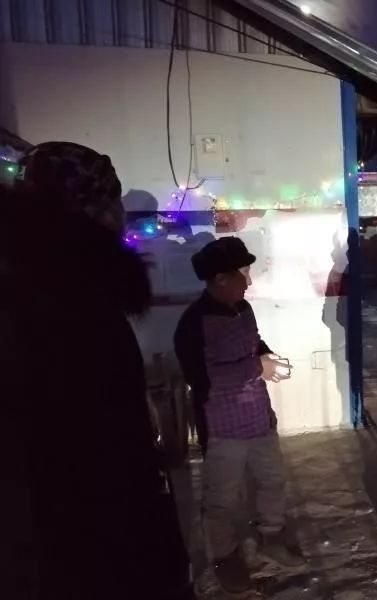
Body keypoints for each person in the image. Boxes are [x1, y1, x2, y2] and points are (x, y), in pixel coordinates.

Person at [0, 142, 193, 599]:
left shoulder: (52, 286)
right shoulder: (65, 303)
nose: (121, 215)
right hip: (85, 537)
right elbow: (97, 441)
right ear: (92, 209)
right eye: (114, 201)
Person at [173, 237, 304, 594]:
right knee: (222, 499)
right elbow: (203, 378)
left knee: (272, 481)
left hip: (258, 417)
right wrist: (257, 367)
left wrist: (267, 357)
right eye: (243, 273)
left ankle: (271, 538)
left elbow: (254, 344)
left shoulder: (243, 309)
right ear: (220, 278)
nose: (249, 281)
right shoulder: (193, 323)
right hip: (222, 429)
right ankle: (226, 559)